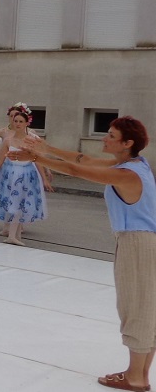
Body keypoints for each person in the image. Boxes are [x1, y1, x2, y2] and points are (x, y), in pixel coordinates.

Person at [11, 117, 156, 392]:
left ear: (127, 143)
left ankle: (136, 377)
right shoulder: (135, 164)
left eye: (111, 136)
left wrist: (36, 157)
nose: (104, 138)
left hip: (138, 243)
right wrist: (45, 148)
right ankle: (140, 374)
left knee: (136, 308)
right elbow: (83, 159)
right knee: (147, 309)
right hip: (144, 241)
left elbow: (75, 170)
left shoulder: (126, 174)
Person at [0, 109, 47, 247]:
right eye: (16, 121)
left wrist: (44, 178)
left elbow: (37, 160)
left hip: (27, 174)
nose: (17, 124)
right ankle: (12, 235)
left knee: (22, 202)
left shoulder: (31, 140)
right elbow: (0, 159)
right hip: (12, 174)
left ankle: (15, 234)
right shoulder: (8, 140)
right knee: (15, 202)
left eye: (21, 121)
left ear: (26, 123)